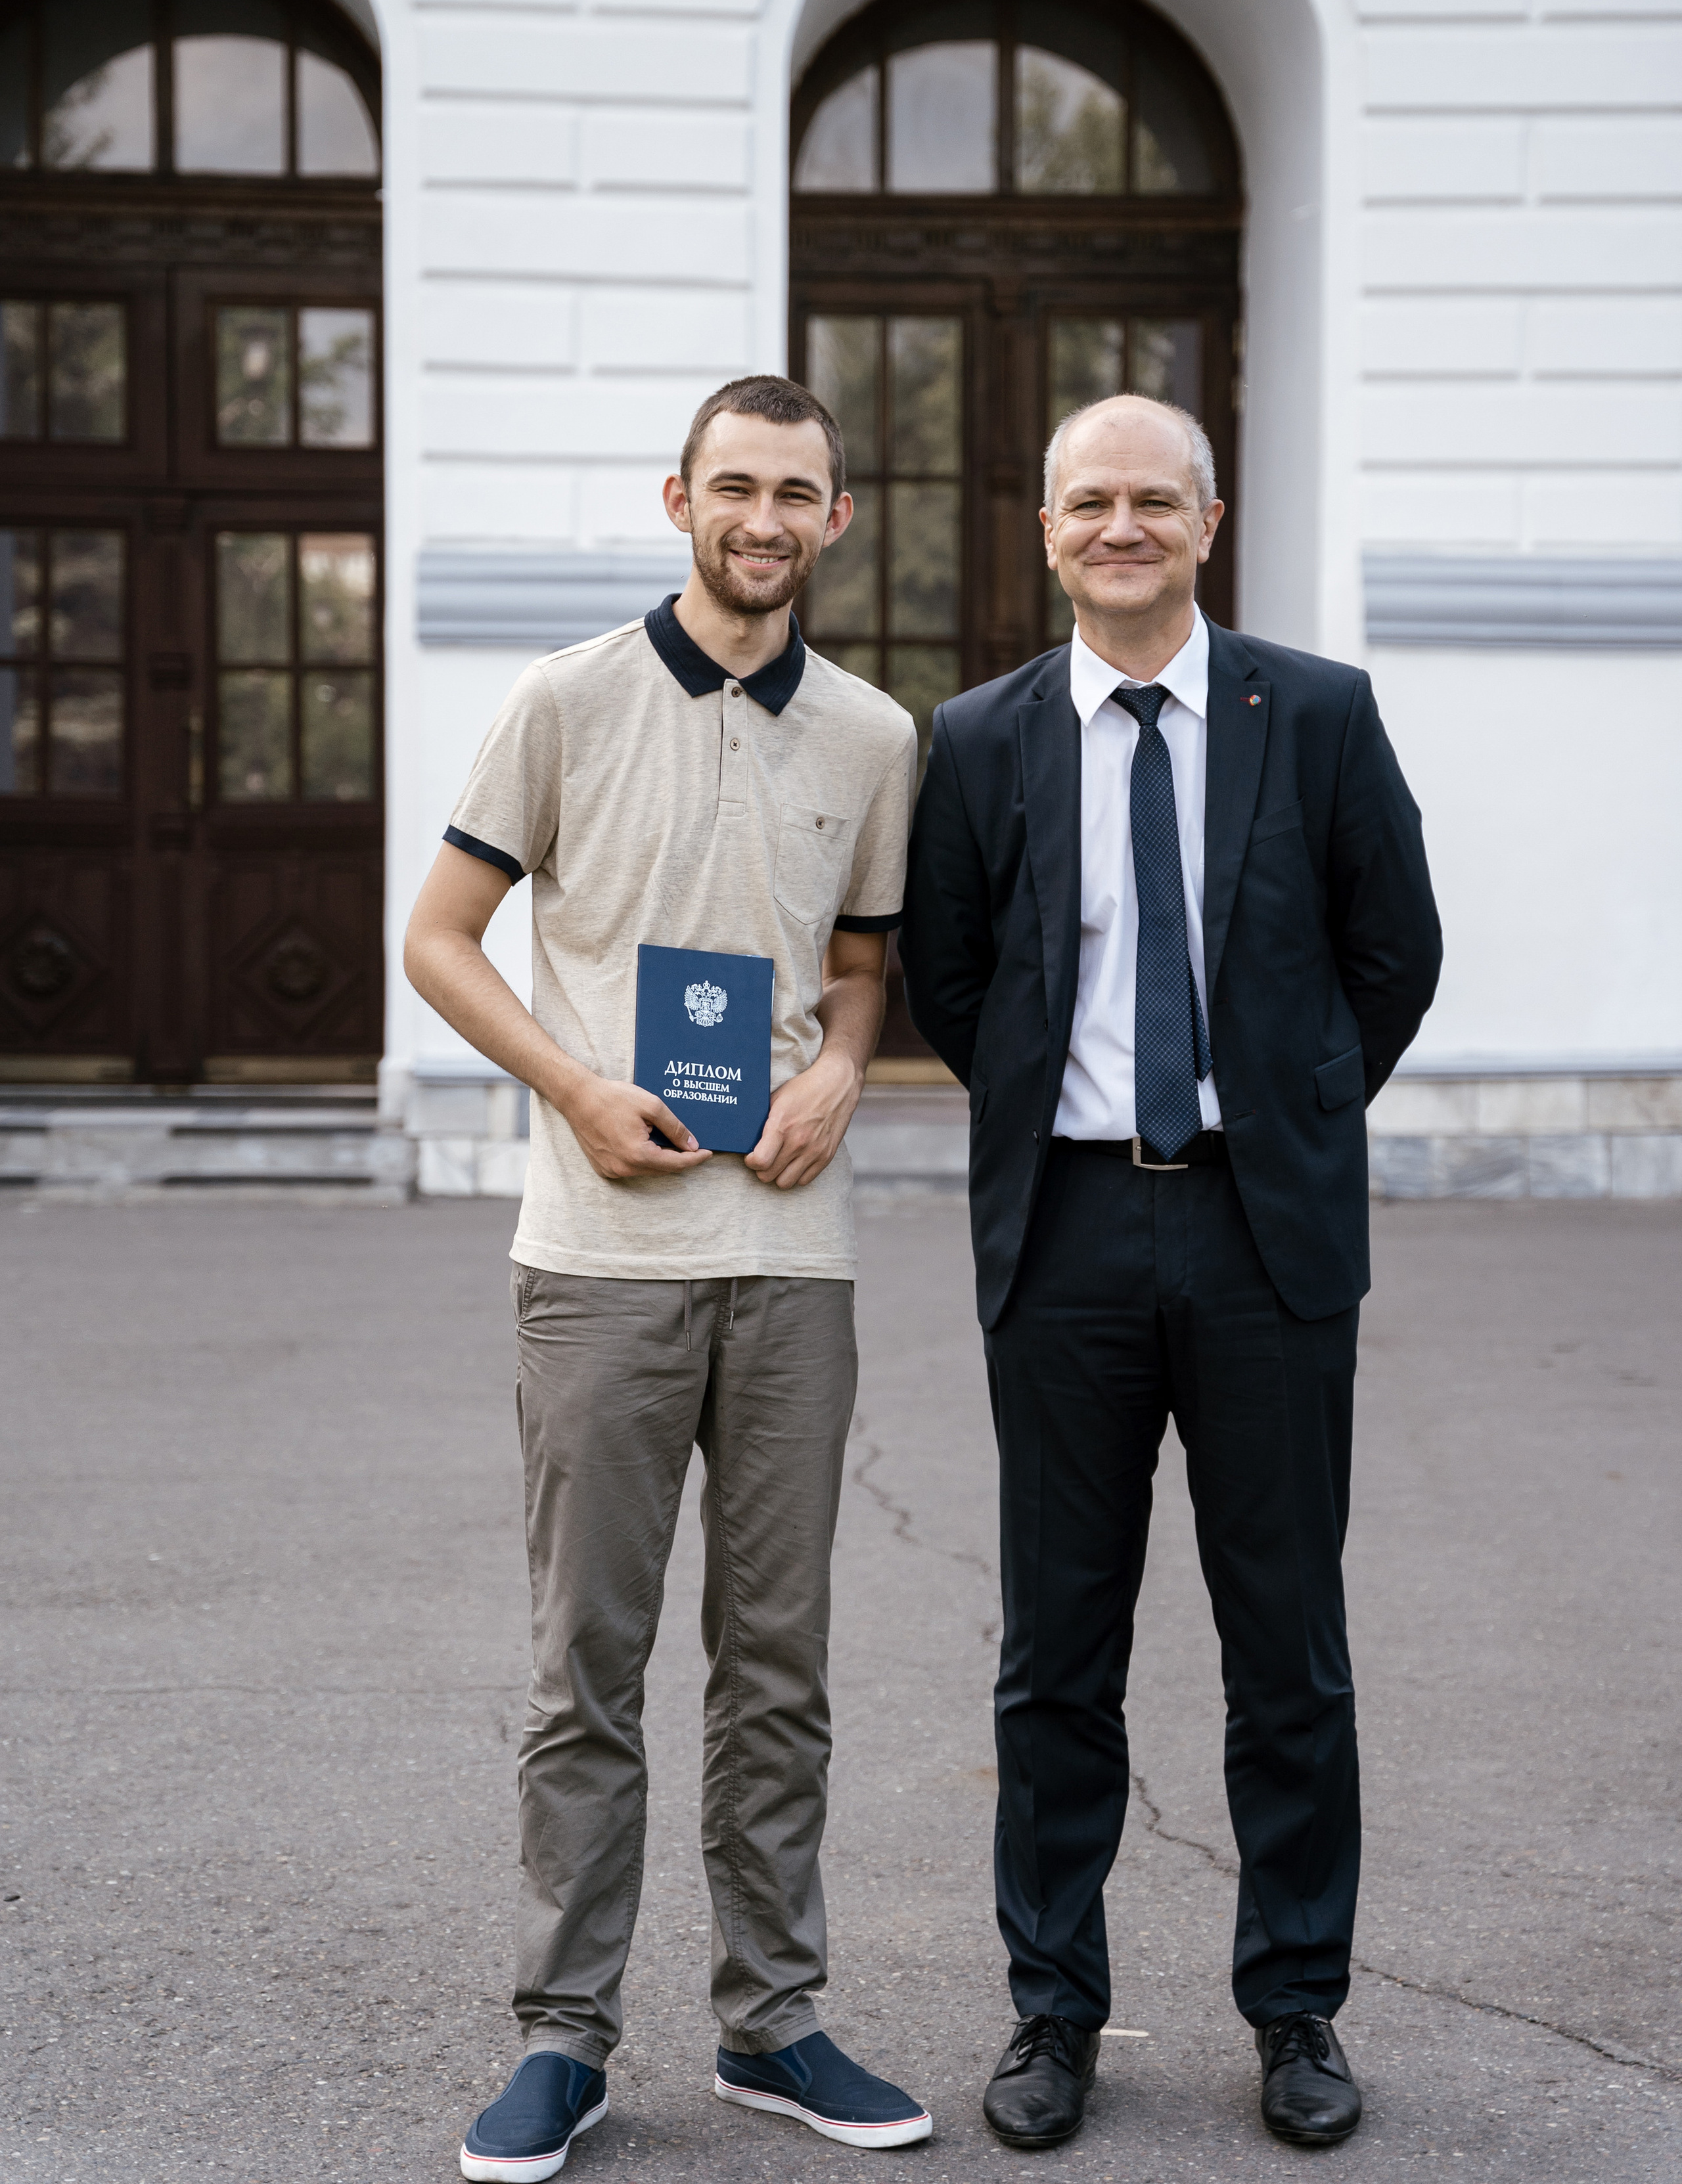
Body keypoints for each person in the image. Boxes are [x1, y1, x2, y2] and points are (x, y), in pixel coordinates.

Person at [899, 393, 1442, 2153]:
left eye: (1153, 499)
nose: (1118, 525)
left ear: (1210, 521)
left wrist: (1283, 1116)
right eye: (1087, 501)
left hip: (1264, 1234)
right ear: (1046, 530)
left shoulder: (1323, 715)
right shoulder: (976, 740)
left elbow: (1392, 953)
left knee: (1287, 1644)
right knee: (1057, 1650)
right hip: (1063, 1237)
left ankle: (1297, 2010)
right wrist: (1061, 1119)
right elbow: (955, 980)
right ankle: (1054, 2009)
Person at [404, 376, 932, 2178]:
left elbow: (863, 967)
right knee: (587, 1669)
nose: (764, 518)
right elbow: (441, 938)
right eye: (735, 486)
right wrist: (570, 1083)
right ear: (678, 499)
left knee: (780, 1668)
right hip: (599, 1260)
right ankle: (564, 2040)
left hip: (794, 1263)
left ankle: (775, 2022)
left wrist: (845, 1067)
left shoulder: (875, 735)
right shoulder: (565, 701)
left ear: (838, 517)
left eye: (798, 489)